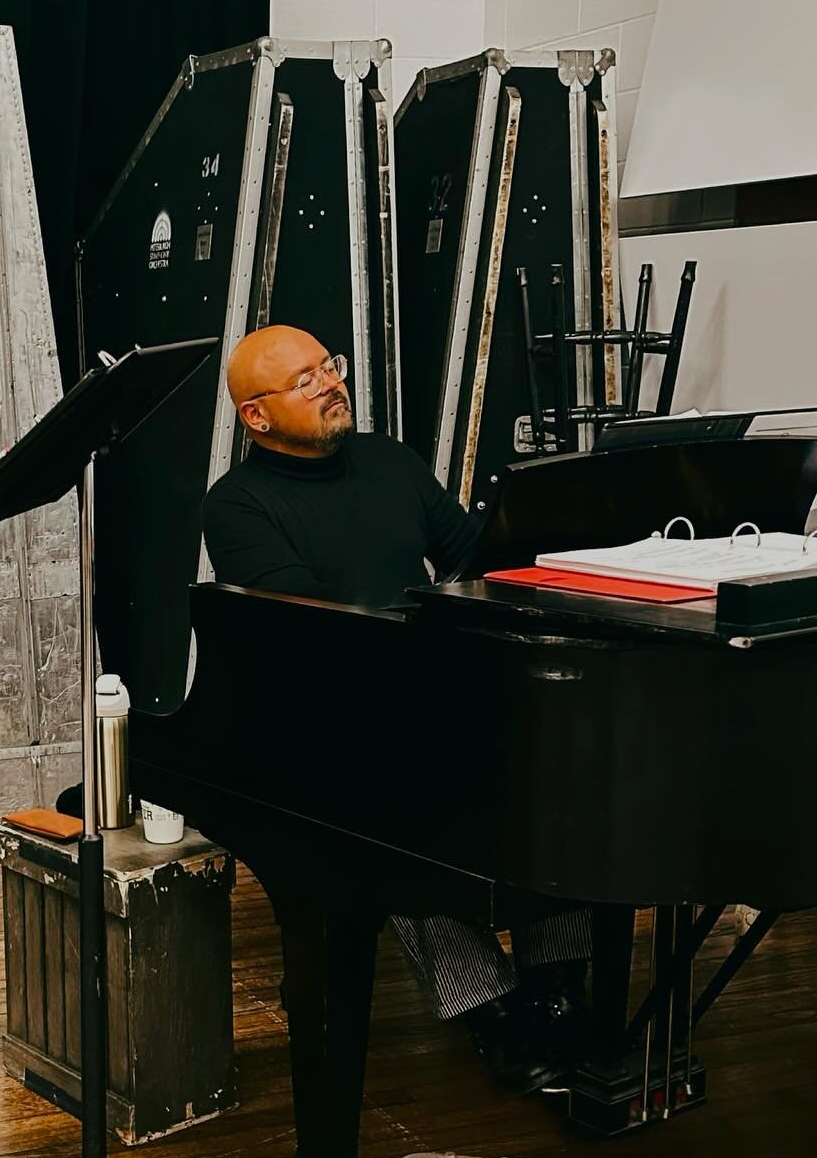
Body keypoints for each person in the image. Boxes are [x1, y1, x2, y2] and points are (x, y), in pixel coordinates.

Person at [202, 324, 589, 1092]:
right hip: (328, 722)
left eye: (330, 367)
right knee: (394, 811)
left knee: (559, 766)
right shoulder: (238, 505)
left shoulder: (390, 461)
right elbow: (307, 630)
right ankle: (490, 1006)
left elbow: (472, 558)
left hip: (431, 690)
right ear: (257, 416)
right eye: (306, 380)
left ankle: (558, 987)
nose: (331, 384)